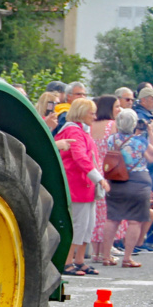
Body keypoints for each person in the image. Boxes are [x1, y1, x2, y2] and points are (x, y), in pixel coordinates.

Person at [100, 108, 153, 268]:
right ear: (134, 124)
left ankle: (106, 256)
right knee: (135, 221)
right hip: (138, 182)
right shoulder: (140, 141)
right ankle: (127, 258)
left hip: (116, 180)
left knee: (112, 218)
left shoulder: (111, 139)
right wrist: (151, 132)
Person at [55, 99, 109, 275]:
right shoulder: (73, 131)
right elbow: (80, 158)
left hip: (85, 186)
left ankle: (78, 260)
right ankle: (68, 261)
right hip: (77, 185)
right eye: (91, 113)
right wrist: (98, 178)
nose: (94, 116)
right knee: (78, 225)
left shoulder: (81, 131)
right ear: (81, 113)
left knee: (87, 224)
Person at [90, 95, 122, 264]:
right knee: (108, 214)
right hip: (109, 172)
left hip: (93, 171)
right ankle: (106, 251)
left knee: (96, 212)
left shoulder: (91, 126)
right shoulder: (112, 126)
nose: (119, 110)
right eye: (116, 107)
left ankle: (95, 252)